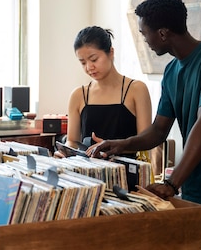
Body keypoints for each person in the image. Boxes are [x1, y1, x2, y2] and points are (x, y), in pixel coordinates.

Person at [88, 0, 201, 250]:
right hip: (193, 186)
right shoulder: (173, 71)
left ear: (162, 33)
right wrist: (119, 144)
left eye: (145, 34)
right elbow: (158, 130)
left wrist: (172, 184)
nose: (145, 40)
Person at [61, 26, 154, 164]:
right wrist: (65, 152)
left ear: (111, 52)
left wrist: (113, 146)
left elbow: (146, 143)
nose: (89, 67)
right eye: (83, 62)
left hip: (128, 174)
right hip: (89, 177)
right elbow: (72, 141)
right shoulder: (78, 95)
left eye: (94, 59)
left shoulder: (136, 89)